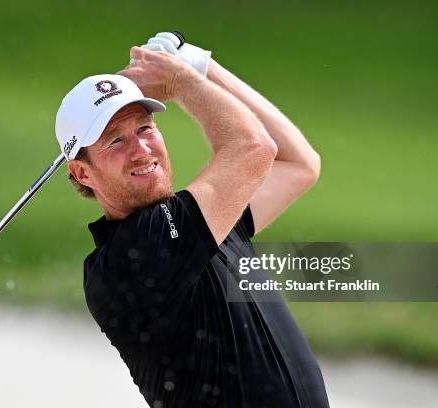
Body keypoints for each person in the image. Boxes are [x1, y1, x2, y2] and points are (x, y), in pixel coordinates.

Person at [55, 32, 329, 408]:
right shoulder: (131, 254)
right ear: (82, 173)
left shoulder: (199, 222)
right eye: (114, 142)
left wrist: (200, 65)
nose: (140, 149)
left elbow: (298, 165)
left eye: (144, 128)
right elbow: (255, 148)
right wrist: (181, 81)